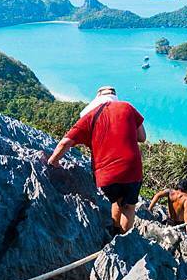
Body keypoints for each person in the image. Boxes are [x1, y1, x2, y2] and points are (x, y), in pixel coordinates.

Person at [44, 86, 146, 236]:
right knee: (129, 207)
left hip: (105, 176)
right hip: (131, 169)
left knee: (116, 200)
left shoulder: (90, 116)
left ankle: (115, 232)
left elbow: (65, 143)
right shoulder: (127, 107)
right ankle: (125, 239)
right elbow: (142, 137)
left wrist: (53, 162)